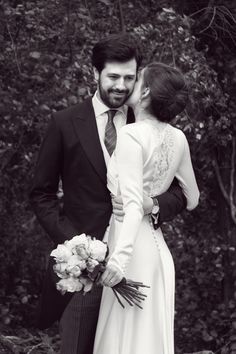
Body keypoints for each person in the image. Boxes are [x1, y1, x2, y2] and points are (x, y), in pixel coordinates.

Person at [30, 34, 187, 354]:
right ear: (95, 74)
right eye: (113, 76)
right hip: (84, 273)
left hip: (136, 267)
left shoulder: (150, 121)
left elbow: (180, 192)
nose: (121, 85)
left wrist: (152, 204)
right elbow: (41, 194)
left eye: (129, 78)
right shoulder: (63, 123)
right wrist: (76, 247)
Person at [93, 62, 200, 354]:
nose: (130, 83)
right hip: (157, 253)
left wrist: (117, 261)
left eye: (137, 78)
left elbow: (130, 207)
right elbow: (193, 198)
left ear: (147, 92)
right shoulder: (178, 137)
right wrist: (154, 204)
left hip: (131, 255)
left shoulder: (130, 135)